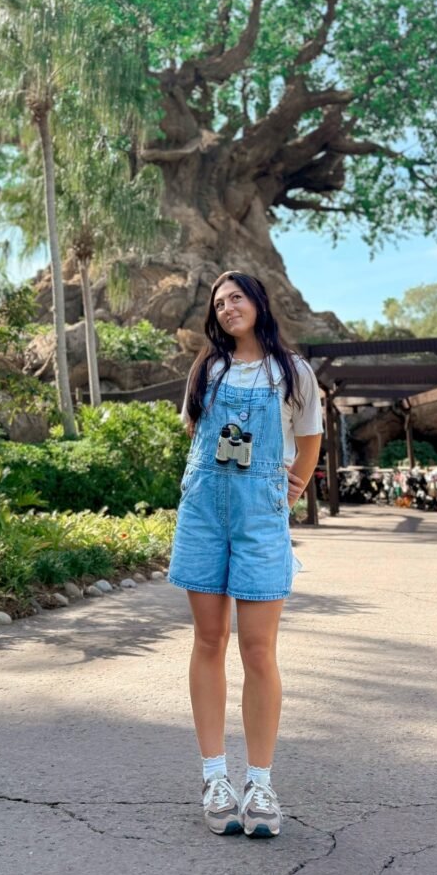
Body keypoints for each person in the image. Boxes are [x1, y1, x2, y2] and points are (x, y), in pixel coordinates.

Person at [168, 271, 323, 838]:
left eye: (237, 297)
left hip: (261, 517)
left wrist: (292, 487)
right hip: (205, 513)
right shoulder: (206, 368)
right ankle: (215, 777)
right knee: (210, 640)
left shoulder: (294, 372)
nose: (228, 307)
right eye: (219, 302)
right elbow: (198, 437)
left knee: (259, 650)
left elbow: (309, 438)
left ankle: (260, 783)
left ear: (258, 303)